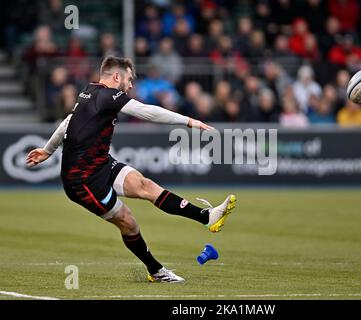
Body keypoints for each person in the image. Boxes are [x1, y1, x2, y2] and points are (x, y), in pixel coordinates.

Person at [26, 56, 236, 283]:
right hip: (83, 181)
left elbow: (68, 121)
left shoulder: (90, 91)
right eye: (129, 78)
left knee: (145, 185)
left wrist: (48, 150)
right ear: (116, 77)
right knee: (128, 221)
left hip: (101, 163)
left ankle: (207, 217)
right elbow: (147, 112)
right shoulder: (108, 95)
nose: (131, 84)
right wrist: (188, 121)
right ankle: (156, 271)